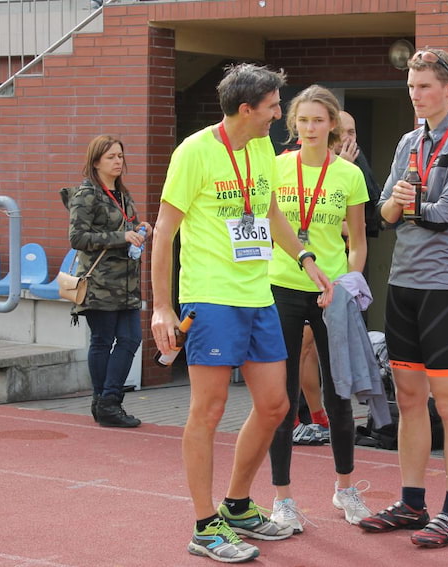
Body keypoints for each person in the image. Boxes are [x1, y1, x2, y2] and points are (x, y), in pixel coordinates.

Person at [149, 64, 332, 564]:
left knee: (276, 405)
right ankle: (205, 525)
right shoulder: (194, 152)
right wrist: (162, 305)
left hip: (258, 294)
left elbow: (270, 213)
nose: (281, 113)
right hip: (210, 297)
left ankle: (236, 505)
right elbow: (164, 232)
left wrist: (305, 257)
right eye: (274, 106)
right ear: (247, 109)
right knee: (206, 412)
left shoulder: (261, 148)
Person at [358, 48, 448, 548]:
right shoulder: (409, 140)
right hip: (405, 281)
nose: (416, 96)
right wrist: (406, 203)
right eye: (412, 87)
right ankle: (412, 503)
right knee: (408, 397)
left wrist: (408, 202)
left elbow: (441, 214)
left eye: (425, 87)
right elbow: (385, 214)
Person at [266, 84, 372, 532]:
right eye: (303, 120)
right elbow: (267, 226)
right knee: (282, 399)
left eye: (318, 120)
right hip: (282, 287)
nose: (310, 128)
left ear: (333, 125)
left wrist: (346, 285)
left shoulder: (349, 175)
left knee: (339, 392)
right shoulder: (274, 168)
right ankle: (282, 499)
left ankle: (345, 487)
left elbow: (359, 242)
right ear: (293, 124)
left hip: (331, 293)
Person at [63, 134, 150, 428]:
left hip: (127, 282)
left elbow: (129, 226)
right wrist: (120, 237)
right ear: (96, 161)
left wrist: (140, 228)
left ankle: (106, 402)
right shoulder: (86, 194)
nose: (118, 161)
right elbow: (77, 238)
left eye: (120, 156)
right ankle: (107, 403)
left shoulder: (123, 194)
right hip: (100, 283)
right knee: (103, 340)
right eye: (111, 157)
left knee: (130, 339)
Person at [335, 111, 383, 237]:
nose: (346, 138)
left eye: (351, 132)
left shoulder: (357, 155)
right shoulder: (313, 157)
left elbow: (372, 195)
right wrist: (340, 168)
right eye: (339, 132)